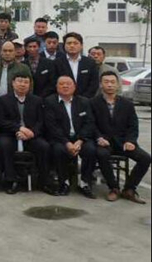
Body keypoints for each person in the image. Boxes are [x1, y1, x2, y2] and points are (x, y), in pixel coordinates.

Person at [90, 72, 150, 204]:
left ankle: (129, 189)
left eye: (113, 82)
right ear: (101, 84)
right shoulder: (93, 103)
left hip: (123, 142)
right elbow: (91, 124)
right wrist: (99, 138)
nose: (109, 85)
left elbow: (133, 125)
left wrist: (130, 141)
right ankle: (114, 188)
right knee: (101, 154)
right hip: (104, 142)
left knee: (145, 158)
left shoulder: (127, 104)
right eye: (106, 82)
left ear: (118, 84)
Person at [0, 73, 56, 195]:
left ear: (30, 85)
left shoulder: (37, 100)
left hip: (31, 135)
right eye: (19, 81)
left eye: (26, 82)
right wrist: (19, 128)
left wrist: (32, 133)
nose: (22, 84)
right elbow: (2, 121)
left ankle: (44, 181)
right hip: (10, 134)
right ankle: (11, 180)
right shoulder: (3, 100)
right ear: (13, 83)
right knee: (4, 145)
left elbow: (41, 121)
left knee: (44, 147)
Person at [44, 76, 98, 198]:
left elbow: (89, 123)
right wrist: (67, 143)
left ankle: (84, 182)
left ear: (74, 86)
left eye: (68, 84)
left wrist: (80, 140)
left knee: (90, 150)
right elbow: (52, 126)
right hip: (60, 138)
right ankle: (64, 182)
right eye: (61, 84)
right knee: (58, 150)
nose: (65, 86)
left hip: (80, 138)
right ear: (56, 87)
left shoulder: (84, 102)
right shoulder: (50, 102)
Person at [54, 32, 99, 98]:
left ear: (81, 45)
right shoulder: (56, 63)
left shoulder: (90, 63)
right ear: (64, 46)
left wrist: (83, 100)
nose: (72, 46)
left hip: (86, 100)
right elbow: (54, 83)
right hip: (63, 99)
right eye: (69, 43)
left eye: (75, 43)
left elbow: (94, 84)